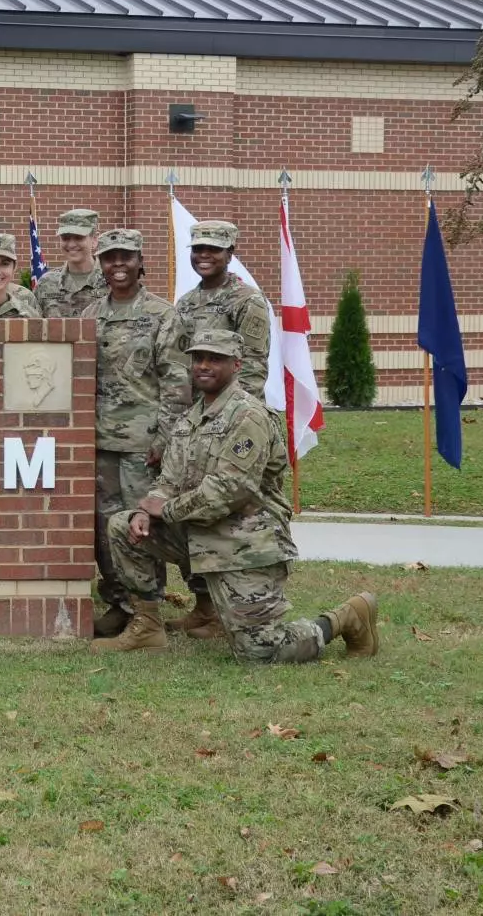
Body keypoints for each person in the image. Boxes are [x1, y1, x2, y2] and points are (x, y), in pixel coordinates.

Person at [94, 329, 379, 664]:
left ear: (236, 364)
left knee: (261, 650)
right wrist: (147, 510)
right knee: (123, 526)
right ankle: (147, 626)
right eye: (198, 358)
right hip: (198, 534)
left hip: (245, 544)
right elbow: (169, 480)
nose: (203, 365)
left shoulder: (249, 416)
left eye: (215, 359)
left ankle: (344, 618)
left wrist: (165, 510)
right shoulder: (188, 421)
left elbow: (228, 491)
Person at [159, 219, 274, 638]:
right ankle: (204, 606)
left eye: (214, 249)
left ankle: (236, 599)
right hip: (191, 427)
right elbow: (176, 370)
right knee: (191, 510)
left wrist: (230, 424)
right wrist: (175, 429)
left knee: (224, 509)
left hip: (230, 426)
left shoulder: (247, 301)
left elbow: (254, 369)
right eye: (198, 249)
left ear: (229, 252)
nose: (204, 255)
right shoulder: (187, 304)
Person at [82, 229, 179, 638]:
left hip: (143, 445)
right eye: (109, 258)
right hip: (100, 441)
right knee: (105, 528)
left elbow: (176, 382)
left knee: (140, 526)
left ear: (140, 261)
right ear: (101, 264)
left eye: (125, 257)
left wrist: (164, 439)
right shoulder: (90, 316)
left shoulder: (162, 314)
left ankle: (147, 608)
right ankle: (119, 602)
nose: (117, 265)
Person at [35, 208, 108, 318]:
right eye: (65, 238)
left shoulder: (111, 281)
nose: (71, 244)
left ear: (94, 239)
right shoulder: (46, 283)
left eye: (79, 238)